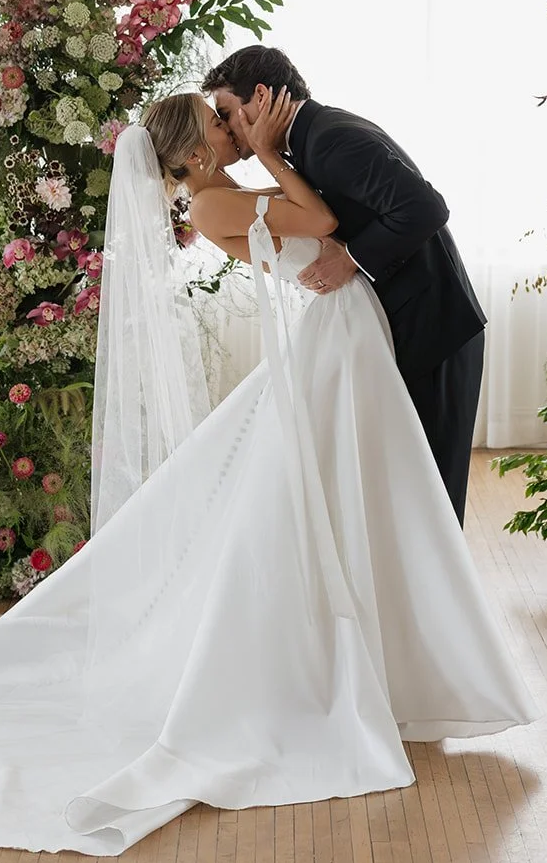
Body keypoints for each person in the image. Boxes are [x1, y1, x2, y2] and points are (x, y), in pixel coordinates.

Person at [0, 91, 533, 856]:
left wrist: (275, 161)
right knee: (331, 498)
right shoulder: (210, 208)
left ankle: (389, 655)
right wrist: (272, 154)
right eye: (218, 123)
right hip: (339, 339)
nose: (230, 128)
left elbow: (324, 216)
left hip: (347, 336)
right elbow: (325, 224)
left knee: (361, 495)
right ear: (194, 152)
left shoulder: (225, 192)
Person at [204, 46, 486, 525]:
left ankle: (442, 598)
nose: (228, 127)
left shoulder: (330, 140)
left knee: (432, 490)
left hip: (435, 327)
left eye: (228, 113)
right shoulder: (312, 138)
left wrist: (351, 259)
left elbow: (426, 207)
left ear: (260, 96)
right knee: (409, 487)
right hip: (409, 324)